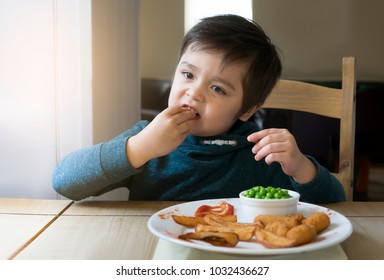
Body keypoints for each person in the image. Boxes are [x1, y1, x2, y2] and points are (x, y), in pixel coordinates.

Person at [52, 14, 345, 203]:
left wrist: (302, 169)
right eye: (188, 74)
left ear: (246, 109)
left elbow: (337, 204)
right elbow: (64, 182)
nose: (194, 92)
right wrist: (138, 149)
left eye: (217, 88)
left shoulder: (260, 154)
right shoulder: (147, 141)